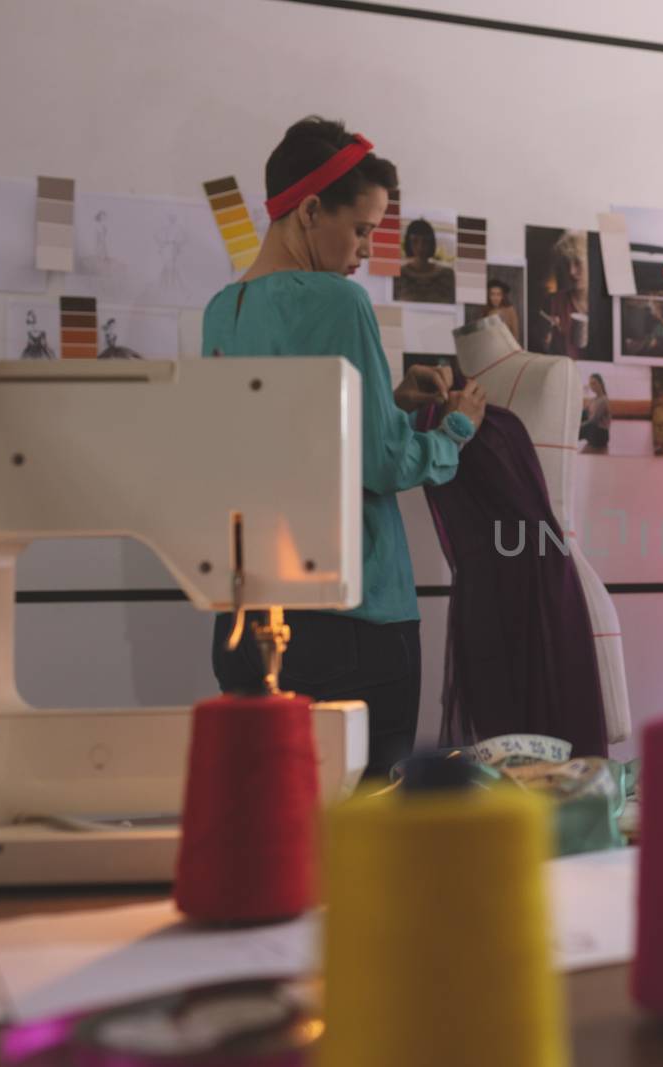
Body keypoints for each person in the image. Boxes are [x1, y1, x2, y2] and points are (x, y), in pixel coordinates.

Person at [202, 116, 487, 778]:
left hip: (245, 617)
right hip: (352, 619)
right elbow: (382, 462)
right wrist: (456, 430)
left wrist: (388, 401)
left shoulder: (223, 309)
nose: (365, 250)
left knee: (271, 813)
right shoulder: (338, 301)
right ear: (308, 212)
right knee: (365, 829)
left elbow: (286, 432)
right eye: (361, 229)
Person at [539, 230, 590, 358]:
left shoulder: (606, 306)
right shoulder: (554, 302)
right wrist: (546, 339)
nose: (571, 271)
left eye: (578, 263)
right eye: (567, 263)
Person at [394, 217, 455, 303]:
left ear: (431, 243)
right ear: (408, 243)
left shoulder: (447, 275)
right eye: (415, 241)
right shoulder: (398, 275)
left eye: (425, 241)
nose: (420, 247)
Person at [579, 372, 610, 453]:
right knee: (582, 414)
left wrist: (579, 426)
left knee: (585, 426)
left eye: (594, 383)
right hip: (593, 430)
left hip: (600, 433)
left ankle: (567, 441)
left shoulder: (603, 400)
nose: (592, 386)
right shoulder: (593, 399)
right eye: (591, 384)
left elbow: (594, 420)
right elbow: (583, 413)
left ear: (601, 384)